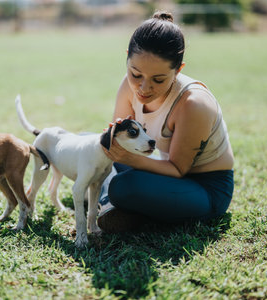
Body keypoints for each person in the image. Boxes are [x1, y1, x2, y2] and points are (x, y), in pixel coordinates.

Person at [97, 11, 235, 233]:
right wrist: (112, 147)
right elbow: (119, 145)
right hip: (155, 169)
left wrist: (130, 159)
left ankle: (114, 204)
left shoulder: (193, 103)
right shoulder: (128, 86)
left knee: (124, 186)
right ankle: (114, 207)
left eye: (158, 79)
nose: (143, 87)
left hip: (202, 188)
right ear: (127, 58)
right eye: (135, 74)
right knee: (93, 143)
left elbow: (178, 169)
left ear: (178, 70)